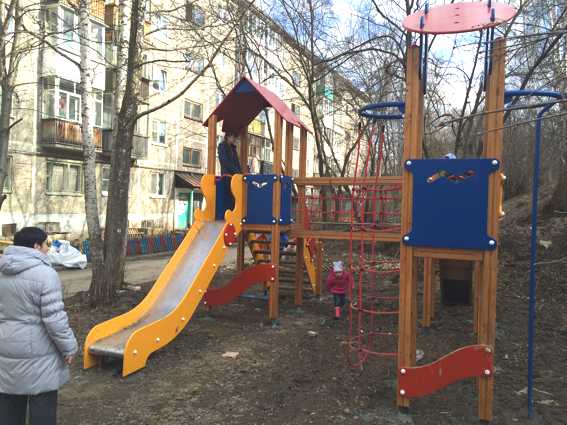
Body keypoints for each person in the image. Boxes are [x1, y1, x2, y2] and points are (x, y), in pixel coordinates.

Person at [0, 227, 78, 425]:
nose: (47, 249)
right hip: (39, 352)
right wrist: (69, 347)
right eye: (45, 244)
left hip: (6, 347)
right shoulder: (45, 274)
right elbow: (54, 318)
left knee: (9, 401)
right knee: (42, 405)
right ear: (36, 246)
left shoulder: (2, 271)